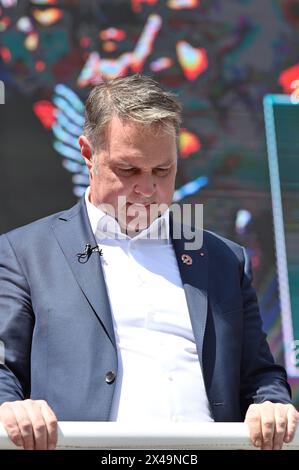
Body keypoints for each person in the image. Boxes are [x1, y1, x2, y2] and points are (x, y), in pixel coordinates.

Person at [0, 74, 298, 451]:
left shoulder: (224, 259)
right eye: (128, 171)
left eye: (162, 171)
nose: (147, 189)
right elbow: (3, 368)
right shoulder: (25, 253)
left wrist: (270, 404)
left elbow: (260, 374)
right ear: (88, 154)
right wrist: (10, 407)